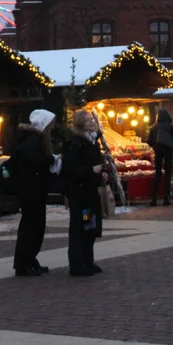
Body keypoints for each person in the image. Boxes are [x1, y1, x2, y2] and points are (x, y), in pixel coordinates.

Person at [12, 109, 56, 277]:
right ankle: (24, 262)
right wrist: (52, 159)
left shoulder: (31, 139)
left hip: (33, 190)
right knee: (32, 227)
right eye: (50, 125)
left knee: (33, 227)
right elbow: (34, 161)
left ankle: (28, 260)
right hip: (31, 191)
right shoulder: (33, 141)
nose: (51, 128)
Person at [62, 109, 105, 277]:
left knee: (91, 226)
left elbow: (97, 162)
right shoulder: (75, 144)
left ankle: (88, 260)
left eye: (91, 119)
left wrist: (102, 172)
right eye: (87, 120)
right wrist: (90, 170)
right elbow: (70, 169)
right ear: (80, 123)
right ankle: (77, 264)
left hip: (91, 190)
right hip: (79, 192)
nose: (91, 121)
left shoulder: (92, 142)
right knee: (79, 227)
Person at [146, 109, 173, 206]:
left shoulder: (153, 127)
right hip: (168, 152)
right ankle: (166, 198)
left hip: (158, 152)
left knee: (158, 174)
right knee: (168, 174)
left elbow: (148, 140)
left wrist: (155, 146)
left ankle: (154, 198)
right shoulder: (171, 127)